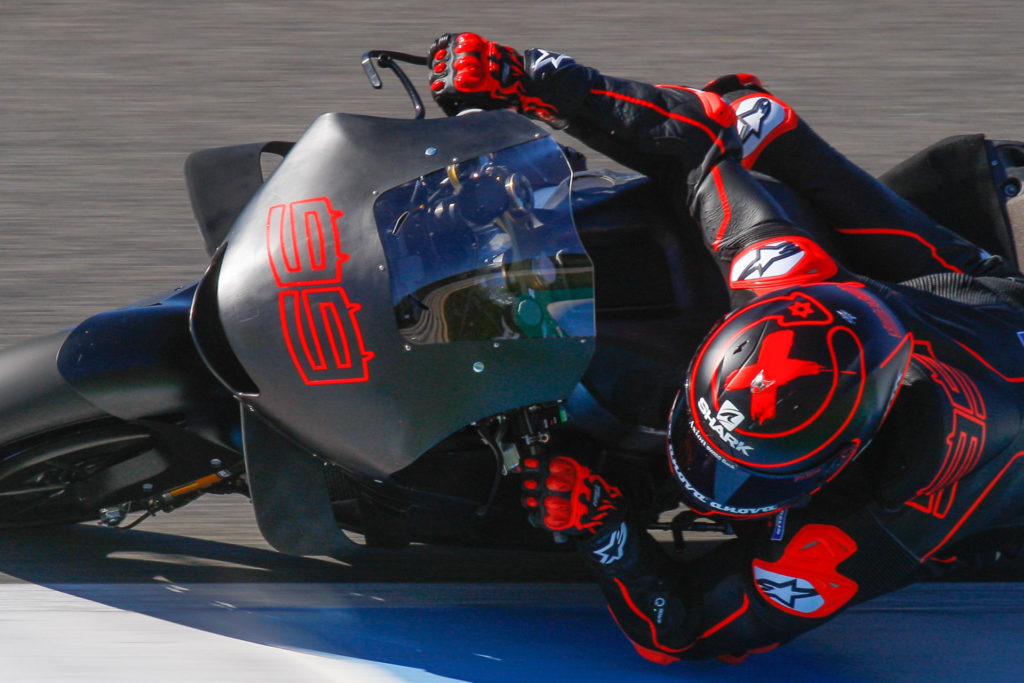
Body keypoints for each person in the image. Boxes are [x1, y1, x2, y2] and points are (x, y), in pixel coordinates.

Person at [429, 33, 1024, 663]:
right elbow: (695, 147)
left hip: (992, 443)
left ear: (853, 448)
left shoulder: (883, 520)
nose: (708, 470)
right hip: (974, 303)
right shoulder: (787, 275)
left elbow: (685, 634)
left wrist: (604, 528)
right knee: (752, 118)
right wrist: (534, 81)